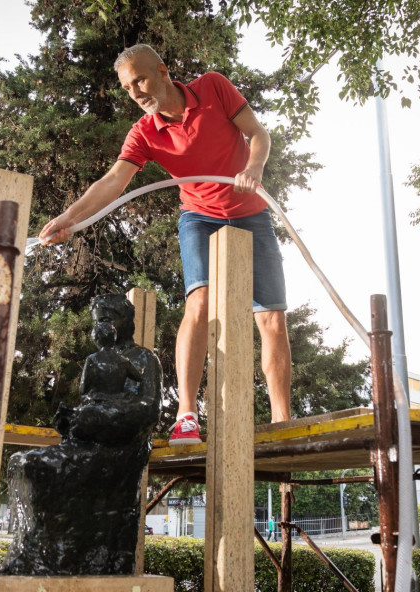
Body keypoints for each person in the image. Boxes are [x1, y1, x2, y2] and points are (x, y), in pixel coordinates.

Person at [40, 44, 291, 445]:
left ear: (162, 70)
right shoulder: (144, 132)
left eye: (139, 79)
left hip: (250, 210)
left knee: (271, 319)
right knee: (200, 302)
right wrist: (70, 218)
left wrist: (253, 168)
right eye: (126, 88)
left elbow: (258, 134)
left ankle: (283, 423)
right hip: (199, 216)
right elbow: (112, 182)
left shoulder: (213, 88)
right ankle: (187, 414)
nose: (135, 92)